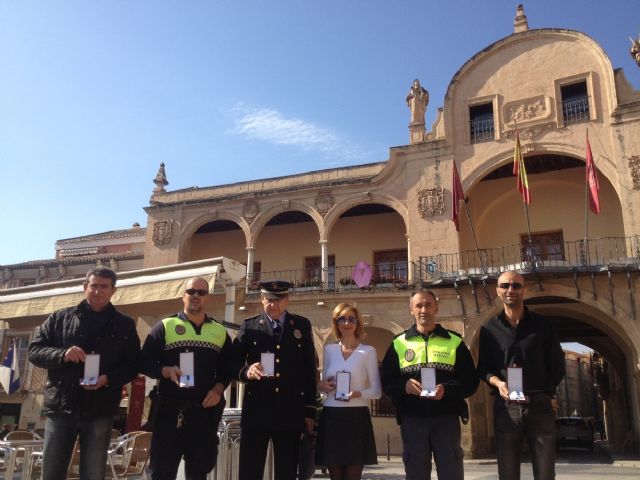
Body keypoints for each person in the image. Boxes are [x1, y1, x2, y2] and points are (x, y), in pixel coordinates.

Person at [28, 266, 140, 480]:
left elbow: (133, 365)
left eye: (104, 287)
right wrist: (62, 354)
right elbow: (34, 351)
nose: (98, 291)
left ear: (113, 290)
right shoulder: (59, 318)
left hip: (100, 408)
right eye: (94, 286)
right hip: (62, 406)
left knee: (93, 473)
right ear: (84, 287)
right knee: (52, 472)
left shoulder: (125, 325)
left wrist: (108, 379)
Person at [140, 276, 233, 480]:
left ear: (208, 298)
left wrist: (218, 389)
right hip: (168, 413)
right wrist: (165, 371)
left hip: (203, 415)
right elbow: (144, 362)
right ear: (183, 296)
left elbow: (229, 368)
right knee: (161, 472)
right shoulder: (165, 326)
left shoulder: (219, 331)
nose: (196, 296)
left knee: (198, 473)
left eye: (201, 292)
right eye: (191, 291)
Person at [381, 288, 478, 480]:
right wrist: (404, 387)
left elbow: (470, 382)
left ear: (436, 308)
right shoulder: (398, 344)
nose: (423, 309)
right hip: (412, 420)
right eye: (419, 305)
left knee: (451, 473)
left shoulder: (454, 342)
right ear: (411, 310)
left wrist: (447, 390)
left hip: (447, 419)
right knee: (416, 474)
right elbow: (387, 382)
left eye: (428, 304)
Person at [477, 270, 565, 480]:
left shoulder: (543, 326)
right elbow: (483, 369)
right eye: (505, 285)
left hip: (540, 406)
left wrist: (545, 393)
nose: (510, 290)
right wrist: (499, 384)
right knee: (508, 473)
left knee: (545, 473)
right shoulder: (489, 330)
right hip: (507, 408)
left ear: (524, 290)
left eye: (516, 285)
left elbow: (557, 365)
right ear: (497, 291)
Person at [233, 280, 317, 480]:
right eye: (269, 299)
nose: (274, 304)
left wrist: (309, 411)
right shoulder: (249, 326)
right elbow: (233, 363)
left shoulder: (301, 326)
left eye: (279, 299)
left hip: (290, 412)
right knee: (250, 471)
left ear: (287, 300)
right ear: (262, 299)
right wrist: (247, 371)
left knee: (286, 471)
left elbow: (309, 371)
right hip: (257, 412)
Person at [315, 303, 381, 480]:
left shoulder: (368, 351)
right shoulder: (329, 350)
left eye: (351, 319)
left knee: (353, 475)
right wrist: (321, 386)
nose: (346, 323)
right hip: (332, 416)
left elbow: (376, 391)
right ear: (336, 323)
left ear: (358, 322)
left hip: (356, 417)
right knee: (335, 476)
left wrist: (357, 394)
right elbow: (323, 387)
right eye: (341, 319)